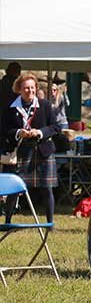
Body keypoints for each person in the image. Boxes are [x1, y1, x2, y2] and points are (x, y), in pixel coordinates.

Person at [3, 73, 59, 224]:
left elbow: (55, 127)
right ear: (19, 89)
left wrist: (39, 132)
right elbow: (4, 129)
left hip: (43, 150)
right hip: (21, 151)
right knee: (14, 188)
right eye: (26, 88)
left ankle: (50, 223)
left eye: (32, 88)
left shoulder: (45, 105)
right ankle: (7, 221)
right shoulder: (11, 107)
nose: (30, 91)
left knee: (47, 189)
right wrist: (18, 132)